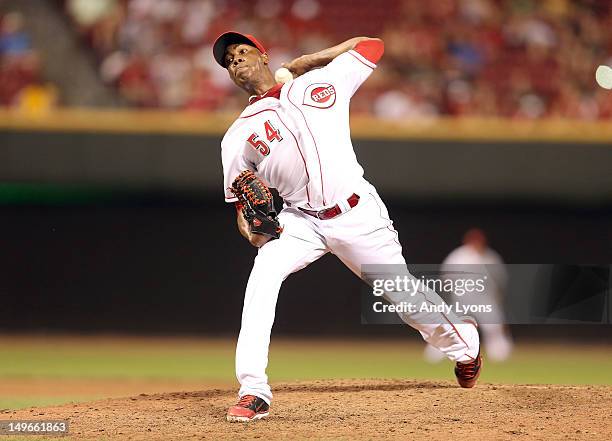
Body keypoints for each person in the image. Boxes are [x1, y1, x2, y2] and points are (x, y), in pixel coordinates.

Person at [213, 31, 482, 423]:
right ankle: (254, 389)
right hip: (300, 221)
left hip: (356, 214)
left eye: (242, 51)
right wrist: (253, 230)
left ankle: (465, 346)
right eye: (228, 60)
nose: (236, 60)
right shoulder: (237, 136)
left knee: (403, 297)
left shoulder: (319, 82)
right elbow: (242, 209)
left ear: (264, 56)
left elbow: (372, 46)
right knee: (262, 277)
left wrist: (307, 61)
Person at [424, 228, 513, 363]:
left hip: (484, 299)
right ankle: (433, 355)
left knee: (494, 327)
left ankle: (500, 355)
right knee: (447, 326)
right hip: (463, 298)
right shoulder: (458, 256)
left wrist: (496, 298)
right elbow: (446, 277)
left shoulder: (490, 257)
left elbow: (500, 279)